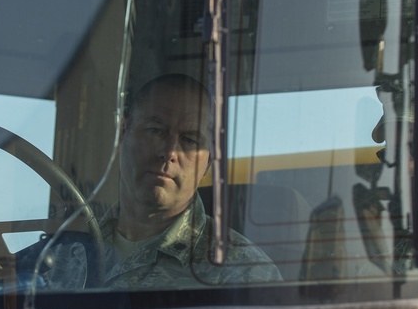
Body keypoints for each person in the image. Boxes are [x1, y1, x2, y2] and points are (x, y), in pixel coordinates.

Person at [36, 73, 282, 290]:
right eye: (155, 130)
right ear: (122, 134)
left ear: (208, 163)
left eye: (189, 140)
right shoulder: (62, 252)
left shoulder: (242, 271)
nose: (169, 151)